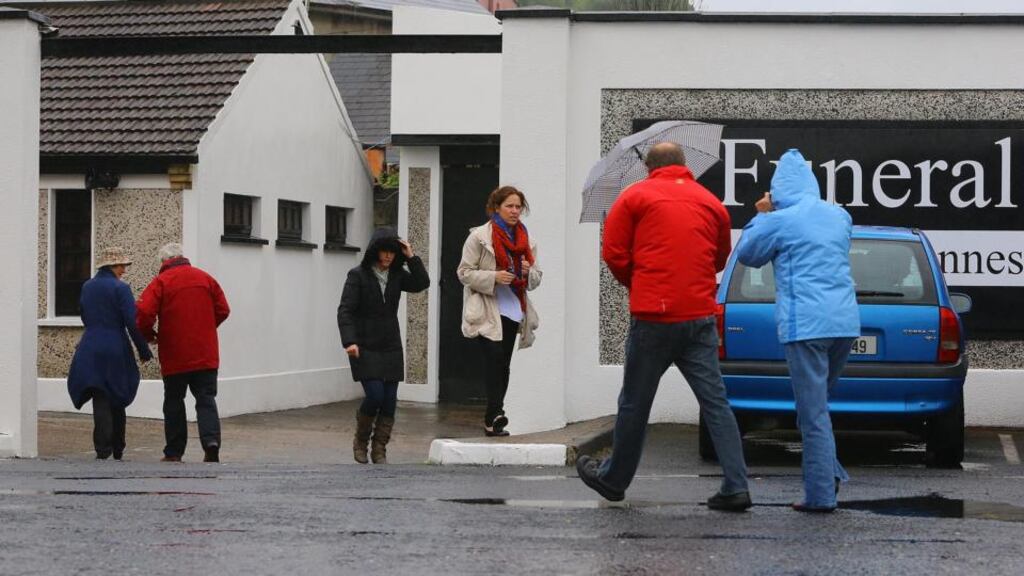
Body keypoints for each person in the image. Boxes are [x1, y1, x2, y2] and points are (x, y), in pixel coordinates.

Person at [576, 142, 751, 511]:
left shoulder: (634, 196)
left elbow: (614, 253)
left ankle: (613, 479)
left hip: (653, 317)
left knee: (635, 404)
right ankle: (736, 485)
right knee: (716, 402)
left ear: (649, 167)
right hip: (699, 317)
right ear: (685, 164)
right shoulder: (710, 202)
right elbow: (719, 258)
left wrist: (638, 283)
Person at [734, 148, 860, 513]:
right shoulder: (840, 215)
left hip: (805, 326)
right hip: (845, 323)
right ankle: (830, 472)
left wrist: (761, 216)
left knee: (812, 413)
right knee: (820, 407)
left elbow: (748, 255)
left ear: (777, 190)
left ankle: (820, 494)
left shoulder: (778, 220)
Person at [338, 228, 429, 464]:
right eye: (384, 252)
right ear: (374, 252)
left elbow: (422, 282)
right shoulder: (357, 275)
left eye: (392, 252)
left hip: (390, 344)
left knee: (389, 400)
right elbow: (345, 310)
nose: (388, 257)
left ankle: (380, 449)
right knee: (375, 395)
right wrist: (349, 341)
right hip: (364, 345)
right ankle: (361, 440)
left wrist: (411, 256)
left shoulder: (398, 275)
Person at [457, 186, 542, 437]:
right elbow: (464, 273)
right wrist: (494, 276)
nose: (515, 211)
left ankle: (493, 417)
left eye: (518, 207)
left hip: (514, 309)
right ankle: (494, 414)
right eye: (510, 206)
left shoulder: (527, 241)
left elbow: (537, 279)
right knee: (494, 357)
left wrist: (528, 273)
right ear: (496, 208)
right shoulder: (479, 237)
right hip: (486, 308)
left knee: (503, 363)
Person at [137, 243, 230, 463]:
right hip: (206, 354)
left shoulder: (161, 282)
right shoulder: (205, 278)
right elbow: (223, 309)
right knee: (206, 399)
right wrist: (206, 327)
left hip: (175, 353)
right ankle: (211, 443)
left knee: (174, 401)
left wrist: (150, 335)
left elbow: (143, 311)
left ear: (164, 262)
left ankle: (174, 451)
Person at [68, 247, 153, 460]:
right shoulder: (120, 288)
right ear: (112, 266)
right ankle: (117, 447)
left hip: (90, 345)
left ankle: (102, 448)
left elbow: (84, 314)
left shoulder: (87, 286)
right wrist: (143, 349)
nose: (124, 270)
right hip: (115, 346)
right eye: (121, 266)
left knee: (100, 394)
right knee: (117, 394)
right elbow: (131, 323)